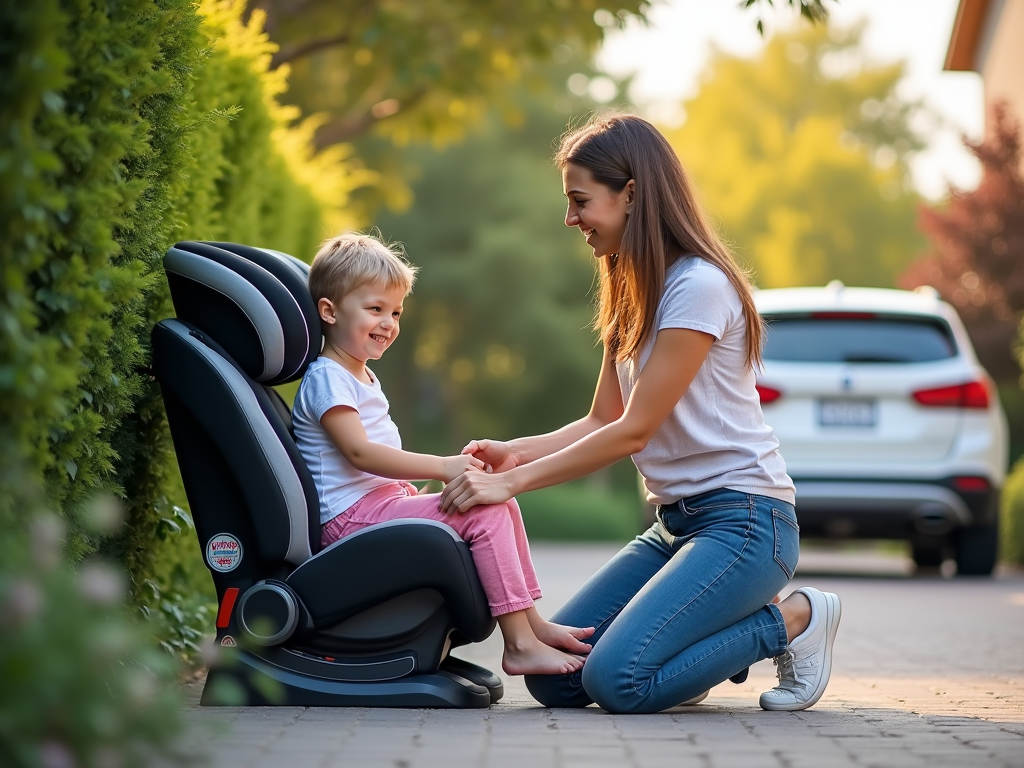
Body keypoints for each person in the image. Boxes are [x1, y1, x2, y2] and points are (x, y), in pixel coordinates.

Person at [439, 114, 842, 713]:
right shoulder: (632, 289)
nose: (570, 219)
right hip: (674, 528)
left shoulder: (699, 286)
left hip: (747, 524)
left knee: (618, 681)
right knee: (556, 674)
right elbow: (604, 417)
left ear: (631, 193)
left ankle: (795, 619)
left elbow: (635, 429)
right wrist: (514, 451)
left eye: (580, 201)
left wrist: (509, 483)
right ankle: (688, 650)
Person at [292, 232, 595, 677]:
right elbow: (359, 453)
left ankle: (532, 624)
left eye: (395, 312)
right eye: (375, 309)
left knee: (499, 500)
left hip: (374, 508)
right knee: (484, 513)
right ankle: (518, 646)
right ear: (329, 311)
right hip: (348, 521)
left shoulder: (360, 377)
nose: (389, 323)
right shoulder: (328, 378)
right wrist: (444, 466)